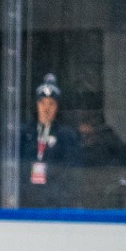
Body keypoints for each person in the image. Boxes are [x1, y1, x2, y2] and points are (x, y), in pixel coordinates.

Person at [20, 74, 79, 209]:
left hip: (55, 205)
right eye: (42, 103)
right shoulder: (24, 134)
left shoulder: (66, 136)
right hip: (27, 205)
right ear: (36, 105)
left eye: (51, 104)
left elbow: (72, 175)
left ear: (58, 108)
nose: (46, 108)